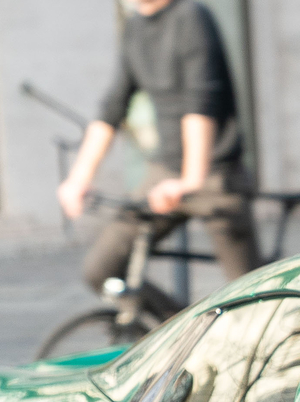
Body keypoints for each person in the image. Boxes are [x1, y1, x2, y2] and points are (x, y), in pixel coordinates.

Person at [55, 0, 253, 315]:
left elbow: (201, 100)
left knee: (252, 297)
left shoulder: (191, 16)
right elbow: (113, 108)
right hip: (164, 172)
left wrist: (190, 180)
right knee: (101, 269)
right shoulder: (135, 28)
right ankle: (180, 338)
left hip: (214, 174)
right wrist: (79, 178)